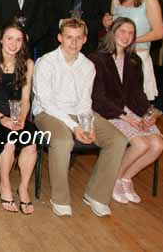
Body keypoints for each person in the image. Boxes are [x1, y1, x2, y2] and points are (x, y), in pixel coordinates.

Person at [32, 18, 127, 217]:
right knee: (63, 140)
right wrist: (75, 127)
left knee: (118, 140)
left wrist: (87, 124)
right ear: (60, 38)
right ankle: (60, 198)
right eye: (68, 37)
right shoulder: (45, 62)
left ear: (85, 39)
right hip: (47, 113)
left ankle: (97, 195)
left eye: (78, 38)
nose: (73, 43)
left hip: (79, 112)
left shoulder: (87, 66)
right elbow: (47, 103)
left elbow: (85, 102)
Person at [89, 18, 163, 205]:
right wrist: (126, 117)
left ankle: (125, 178)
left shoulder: (134, 60)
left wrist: (148, 114)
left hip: (130, 110)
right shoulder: (97, 59)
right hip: (109, 111)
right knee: (140, 145)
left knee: (157, 144)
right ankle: (114, 179)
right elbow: (98, 98)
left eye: (131, 33)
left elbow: (137, 94)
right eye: (122, 31)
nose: (126, 36)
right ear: (112, 32)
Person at [0, 23, 39, 214]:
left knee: (31, 141)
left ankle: (23, 187)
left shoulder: (28, 64)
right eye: (10, 38)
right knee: (9, 141)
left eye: (18, 39)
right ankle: (4, 185)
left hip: (17, 114)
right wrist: (2, 118)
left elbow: (26, 99)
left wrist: (21, 117)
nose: (14, 43)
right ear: (1, 39)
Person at [105, 0, 163, 101]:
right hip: (116, 57)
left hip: (137, 57)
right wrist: (107, 24)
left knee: (135, 105)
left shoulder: (150, 0)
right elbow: (114, 30)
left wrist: (130, 41)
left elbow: (159, 33)